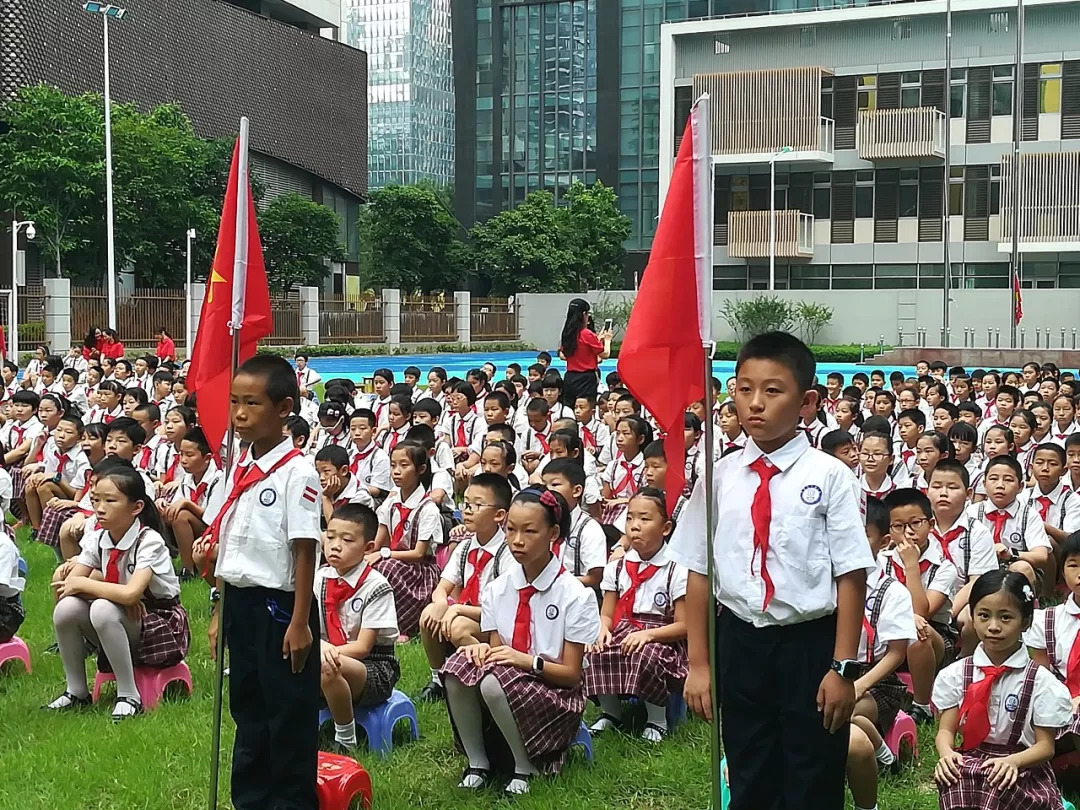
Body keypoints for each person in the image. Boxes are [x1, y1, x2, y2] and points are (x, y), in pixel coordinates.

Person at [670, 331, 874, 810]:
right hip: (739, 641)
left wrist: (842, 667)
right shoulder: (718, 476)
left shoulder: (829, 477)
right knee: (749, 767)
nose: (755, 404)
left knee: (812, 772)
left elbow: (851, 576)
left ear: (807, 401)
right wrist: (700, 663)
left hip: (808, 645)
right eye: (744, 389)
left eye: (772, 390)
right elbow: (699, 571)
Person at [200, 354, 322, 810]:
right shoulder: (238, 467)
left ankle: (290, 801)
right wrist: (218, 610)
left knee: (286, 713)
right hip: (240, 604)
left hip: (281, 607)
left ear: (285, 408)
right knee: (247, 708)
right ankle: (250, 800)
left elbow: (303, 549)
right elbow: (233, 549)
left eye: (252, 404)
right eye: (234, 403)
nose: (240, 415)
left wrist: (300, 621)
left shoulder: (298, 472)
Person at [439, 487, 600, 795]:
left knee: (491, 683)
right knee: (458, 667)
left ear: (553, 533)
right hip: (510, 678)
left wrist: (527, 661)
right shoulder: (498, 588)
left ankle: (526, 767)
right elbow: (499, 652)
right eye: (510, 529)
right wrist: (481, 648)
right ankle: (477, 762)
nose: (517, 540)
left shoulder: (575, 595)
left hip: (555, 691)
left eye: (530, 531)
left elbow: (571, 675)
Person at [46, 464, 189, 720]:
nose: (100, 509)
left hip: (160, 623)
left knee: (102, 608)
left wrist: (103, 591)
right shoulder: (98, 539)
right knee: (67, 609)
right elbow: (70, 588)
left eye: (110, 501)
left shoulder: (150, 541)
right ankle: (76, 690)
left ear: (136, 508)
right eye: (95, 500)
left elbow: (131, 593)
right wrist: (115, 595)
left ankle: (129, 695)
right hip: (123, 617)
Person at [932, 571, 1070, 810]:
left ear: (1026, 621)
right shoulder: (955, 675)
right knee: (958, 778)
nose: (993, 626)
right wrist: (947, 753)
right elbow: (946, 729)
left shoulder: (1041, 682)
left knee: (999, 781)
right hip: (972, 761)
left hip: (1023, 767)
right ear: (972, 617)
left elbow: (1045, 747)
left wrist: (1012, 761)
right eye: (984, 615)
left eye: (1005, 618)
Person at [585, 487, 688, 742]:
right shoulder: (617, 567)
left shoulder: (676, 569)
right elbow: (607, 613)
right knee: (593, 649)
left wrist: (648, 635)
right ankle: (611, 712)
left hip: (664, 636)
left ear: (665, 528)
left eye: (645, 519)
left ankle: (657, 719)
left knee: (646, 654)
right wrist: (602, 629)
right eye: (630, 518)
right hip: (625, 629)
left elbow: (684, 625)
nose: (635, 526)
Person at [418, 474, 513, 702]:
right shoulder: (465, 547)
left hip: (497, 623)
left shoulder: (507, 553)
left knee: (458, 626)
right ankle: (438, 678)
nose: (468, 510)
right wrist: (441, 603)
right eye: (466, 504)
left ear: (499, 514)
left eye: (477, 505)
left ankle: (489, 672)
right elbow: (442, 588)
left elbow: (501, 610)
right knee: (428, 615)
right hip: (471, 613)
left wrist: (456, 610)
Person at [316, 503, 400, 752]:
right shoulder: (319, 577)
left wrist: (323, 651)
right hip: (325, 654)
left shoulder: (376, 586)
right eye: (330, 537)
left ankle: (345, 739)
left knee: (326, 666)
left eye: (347, 540)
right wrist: (319, 647)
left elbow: (363, 647)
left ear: (368, 548)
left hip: (374, 667)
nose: (335, 545)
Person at [878, 488, 959, 724]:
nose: (908, 533)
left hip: (934, 636)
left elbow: (923, 611)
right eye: (898, 526)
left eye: (916, 523)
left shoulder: (944, 567)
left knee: (917, 627)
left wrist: (911, 566)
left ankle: (922, 705)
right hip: (888, 628)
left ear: (931, 524)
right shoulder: (881, 561)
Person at [850, 496, 914, 785]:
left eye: (863, 535)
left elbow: (896, 653)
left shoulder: (892, 591)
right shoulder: (828, 582)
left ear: (884, 541)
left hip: (877, 681)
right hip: (836, 671)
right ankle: (880, 749)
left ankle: (884, 761)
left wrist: (860, 685)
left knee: (842, 713)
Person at [371, 442, 443, 637]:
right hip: (393, 561)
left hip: (419, 571)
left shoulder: (428, 509)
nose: (396, 471)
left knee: (386, 568)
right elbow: (378, 541)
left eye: (404, 465)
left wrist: (384, 554)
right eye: (393, 465)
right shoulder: (391, 504)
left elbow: (419, 554)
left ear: (420, 469)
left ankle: (403, 626)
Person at [966, 456, 1051, 588]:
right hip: (977, 568)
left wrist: (1011, 554)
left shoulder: (1029, 515)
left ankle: (1026, 606)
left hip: (1013, 568)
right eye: (993, 479)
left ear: (1021, 486)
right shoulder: (971, 512)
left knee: (1022, 567)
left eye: (1008, 480)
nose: (1000, 485)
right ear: (984, 485)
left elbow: (1041, 556)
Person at [160, 427, 221, 581]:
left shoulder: (218, 479)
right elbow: (176, 504)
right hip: (194, 526)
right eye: (181, 454)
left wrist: (187, 503)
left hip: (212, 531)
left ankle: (188, 570)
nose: (183, 460)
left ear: (207, 458)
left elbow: (212, 519)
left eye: (189, 455)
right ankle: (164, 561)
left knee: (182, 516)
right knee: (166, 512)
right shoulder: (188, 478)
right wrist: (163, 504)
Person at [541, 458, 606, 586]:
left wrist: (556, 583)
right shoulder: (540, 522)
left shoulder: (589, 529)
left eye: (555, 485)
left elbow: (594, 578)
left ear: (577, 490)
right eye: (544, 486)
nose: (548, 491)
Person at [557, 298, 612, 406]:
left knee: (570, 407)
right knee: (585, 407)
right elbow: (605, 354)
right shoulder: (586, 334)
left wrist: (597, 339)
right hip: (585, 378)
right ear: (584, 314)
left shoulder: (567, 333)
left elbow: (565, 354)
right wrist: (607, 340)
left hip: (570, 376)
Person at [315, 445, 375, 519]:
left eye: (326, 471)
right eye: (318, 472)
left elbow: (336, 529)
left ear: (344, 470)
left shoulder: (361, 497)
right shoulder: (320, 486)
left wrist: (327, 497)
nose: (321, 478)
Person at [347, 409, 392, 501]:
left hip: (369, 500)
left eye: (362, 428)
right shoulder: (348, 454)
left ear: (374, 431)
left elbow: (378, 490)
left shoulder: (380, 457)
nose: (357, 433)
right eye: (353, 429)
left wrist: (350, 489)